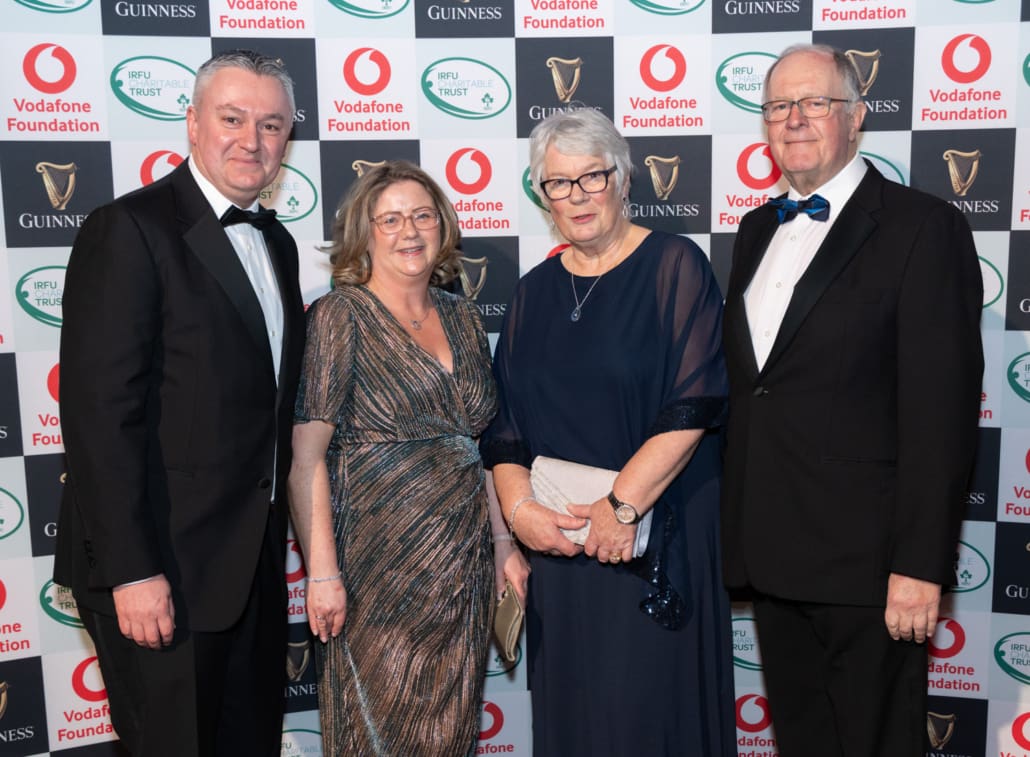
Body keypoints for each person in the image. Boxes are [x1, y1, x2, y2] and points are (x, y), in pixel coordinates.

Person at [721, 43, 984, 756]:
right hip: (773, 557)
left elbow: (941, 414)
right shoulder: (755, 229)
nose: (794, 119)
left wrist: (920, 564)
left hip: (872, 570)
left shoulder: (923, 228)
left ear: (856, 116)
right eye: (778, 106)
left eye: (815, 103)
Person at [54, 50, 304, 756]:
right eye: (232, 119)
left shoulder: (279, 244)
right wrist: (133, 571)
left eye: (271, 125)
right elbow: (100, 417)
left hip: (250, 569)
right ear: (193, 124)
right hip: (159, 569)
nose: (252, 141)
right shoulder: (129, 228)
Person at [480, 109, 735, 756]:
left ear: (622, 178)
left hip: (654, 540)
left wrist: (621, 509)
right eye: (558, 183)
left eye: (592, 176)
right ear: (543, 196)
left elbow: (695, 402)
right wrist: (520, 514)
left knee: (651, 718)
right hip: (562, 551)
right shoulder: (533, 293)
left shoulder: (674, 264)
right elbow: (504, 430)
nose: (577, 195)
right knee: (579, 721)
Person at [287, 160, 528, 756]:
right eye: (389, 219)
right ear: (364, 233)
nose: (409, 231)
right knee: (377, 734)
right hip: (374, 571)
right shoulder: (341, 315)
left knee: (449, 734)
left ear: (442, 225)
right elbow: (306, 458)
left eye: (422, 216)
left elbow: (477, 445)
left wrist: (503, 544)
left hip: (461, 568)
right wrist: (323, 574)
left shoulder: (463, 317)